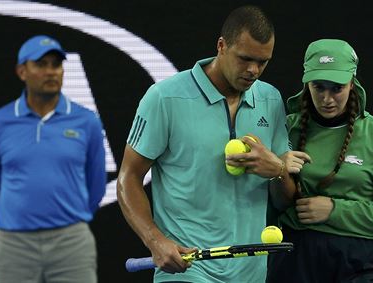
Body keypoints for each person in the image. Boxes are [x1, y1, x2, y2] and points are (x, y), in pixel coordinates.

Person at [116, 5, 306, 282]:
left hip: (251, 273)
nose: (253, 70)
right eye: (245, 59)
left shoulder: (270, 99)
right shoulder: (164, 98)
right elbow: (128, 177)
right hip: (188, 270)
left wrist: (277, 169)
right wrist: (155, 240)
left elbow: (283, 198)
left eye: (263, 62)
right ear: (221, 46)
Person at [265, 39, 373, 282]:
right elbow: (265, 203)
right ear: (306, 84)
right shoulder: (285, 128)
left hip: (358, 262)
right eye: (318, 87)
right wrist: (278, 170)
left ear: (352, 82)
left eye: (337, 88)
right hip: (295, 258)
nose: (326, 98)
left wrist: (334, 210)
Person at [0, 35, 106, 283]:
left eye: (56, 64)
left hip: (71, 242)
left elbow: (97, 183)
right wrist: (19, 215)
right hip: (14, 243)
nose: (51, 72)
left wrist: (70, 217)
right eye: (41, 64)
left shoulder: (86, 120)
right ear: (22, 71)